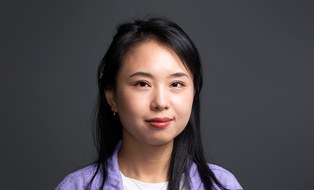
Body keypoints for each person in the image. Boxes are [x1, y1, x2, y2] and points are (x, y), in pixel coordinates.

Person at [55, 17, 243, 190]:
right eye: (142, 84)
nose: (160, 102)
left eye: (176, 84)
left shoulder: (222, 185)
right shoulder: (77, 187)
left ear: (194, 92)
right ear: (112, 97)